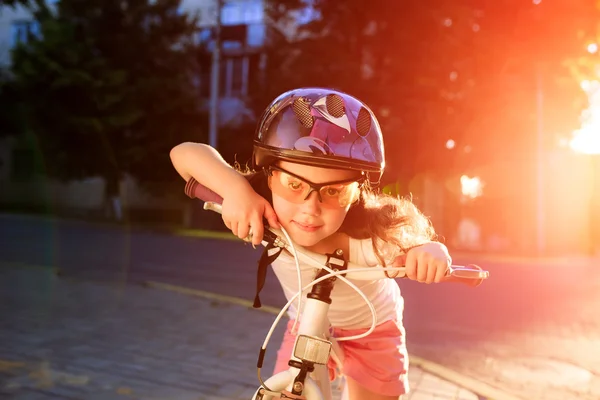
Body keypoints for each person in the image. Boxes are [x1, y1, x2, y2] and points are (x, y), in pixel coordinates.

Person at [170, 88, 453, 400]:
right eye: (294, 185)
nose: (310, 208)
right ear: (270, 178)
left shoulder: (376, 234)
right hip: (305, 327)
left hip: (373, 330)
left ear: (356, 192)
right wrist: (235, 189)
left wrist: (428, 251)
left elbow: (413, 239)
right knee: (286, 392)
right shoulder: (262, 207)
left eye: (334, 192)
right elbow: (183, 154)